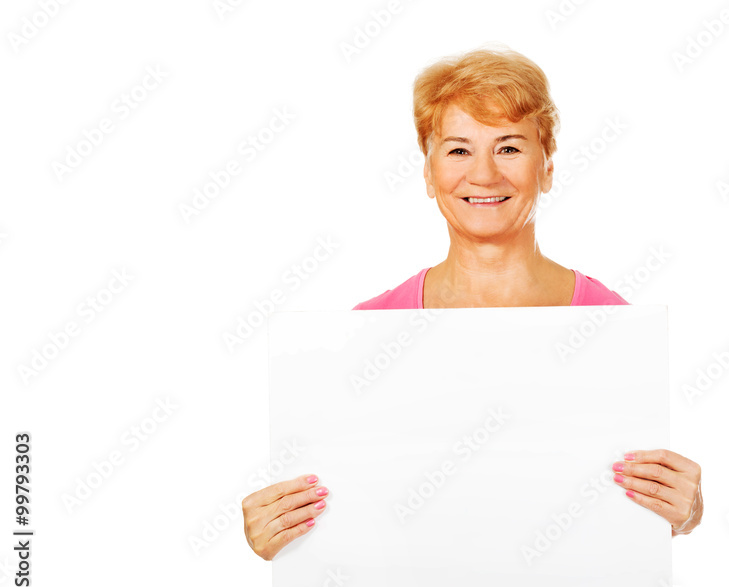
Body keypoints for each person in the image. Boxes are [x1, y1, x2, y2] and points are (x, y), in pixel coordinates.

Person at [242, 46, 703, 561]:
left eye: (508, 148)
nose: (483, 174)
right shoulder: (366, 334)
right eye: (459, 150)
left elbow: (625, 509)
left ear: (547, 167)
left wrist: (685, 512)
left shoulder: (613, 325)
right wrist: (279, 532)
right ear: (427, 172)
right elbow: (348, 512)